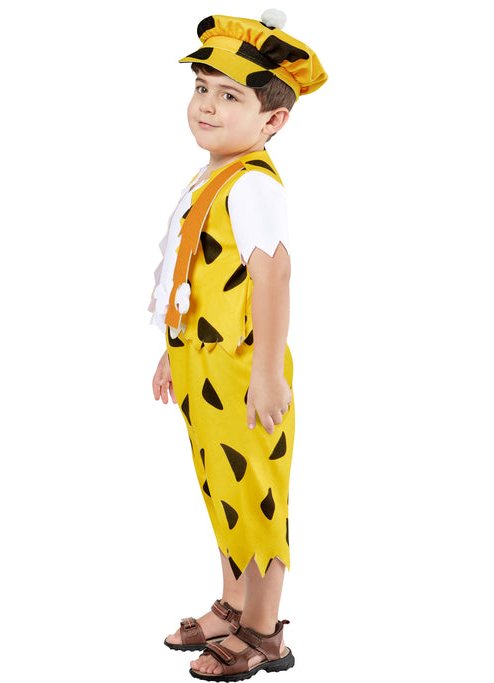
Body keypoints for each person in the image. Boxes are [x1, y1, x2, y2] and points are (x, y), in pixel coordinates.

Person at [148, 10, 327, 680]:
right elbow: (196, 273)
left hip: (242, 368)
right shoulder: (213, 177)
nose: (207, 105)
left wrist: (267, 373)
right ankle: (233, 603)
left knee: (256, 495)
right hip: (203, 362)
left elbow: (272, 277)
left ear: (273, 119)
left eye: (230, 96)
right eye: (202, 88)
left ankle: (264, 630)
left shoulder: (252, 183)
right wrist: (174, 349)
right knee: (221, 487)